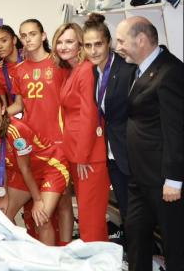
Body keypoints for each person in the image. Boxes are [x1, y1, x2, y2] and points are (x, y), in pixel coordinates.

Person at [115, 17, 183, 271]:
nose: (118, 47)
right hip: (140, 178)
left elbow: (176, 130)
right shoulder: (138, 69)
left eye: (121, 41)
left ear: (141, 40)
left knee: (175, 245)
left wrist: (174, 180)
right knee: (136, 237)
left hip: (164, 181)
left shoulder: (170, 72)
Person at [7, 19, 73, 243]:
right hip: (32, 145)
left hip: (58, 144)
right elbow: (19, 105)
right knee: (38, 207)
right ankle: (39, 250)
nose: (28, 39)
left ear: (43, 36)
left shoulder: (59, 64)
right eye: (24, 35)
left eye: (32, 34)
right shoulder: (18, 70)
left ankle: (65, 249)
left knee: (64, 201)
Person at [0, 92, 69, 246]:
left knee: (41, 218)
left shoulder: (15, 130)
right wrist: (3, 194)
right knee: (3, 217)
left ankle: (49, 259)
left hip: (51, 166)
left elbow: (25, 168)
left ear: (3, 110)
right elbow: (0, 165)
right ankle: (17, 255)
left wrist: (37, 200)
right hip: (24, 172)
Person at [53, 22, 109, 242]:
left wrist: (83, 156)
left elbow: (89, 115)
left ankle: (98, 259)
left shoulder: (86, 70)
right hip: (78, 154)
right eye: (59, 41)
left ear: (80, 45)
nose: (63, 46)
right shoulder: (72, 70)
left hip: (89, 157)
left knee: (90, 220)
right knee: (88, 218)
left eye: (69, 41)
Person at [82, 13, 135, 240]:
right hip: (112, 155)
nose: (93, 51)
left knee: (138, 216)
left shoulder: (127, 69)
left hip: (133, 154)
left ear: (108, 43)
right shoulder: (95, 71)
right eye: (88, 45)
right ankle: (134, 254)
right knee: (127, 214)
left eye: (98, 44)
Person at [0, 25, 23, 107]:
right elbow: (2, 106)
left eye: (4, 41)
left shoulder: (30, 58)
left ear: (14, 40)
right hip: (15, 113)